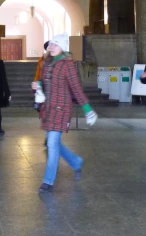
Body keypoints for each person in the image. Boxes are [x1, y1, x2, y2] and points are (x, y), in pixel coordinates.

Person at [32, 33, 98, 193]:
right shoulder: (47, 63)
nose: (51, 47)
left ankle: (48, 181)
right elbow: (44, 80)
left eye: (55, 44)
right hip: (48, 108)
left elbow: (76, 88)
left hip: (61, 108)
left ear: (63, 48)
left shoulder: (67, 65)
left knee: (52, 143)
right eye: (51, 44)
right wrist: (38, 84)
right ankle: (75, 162)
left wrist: (87, 109)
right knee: (53, 142)